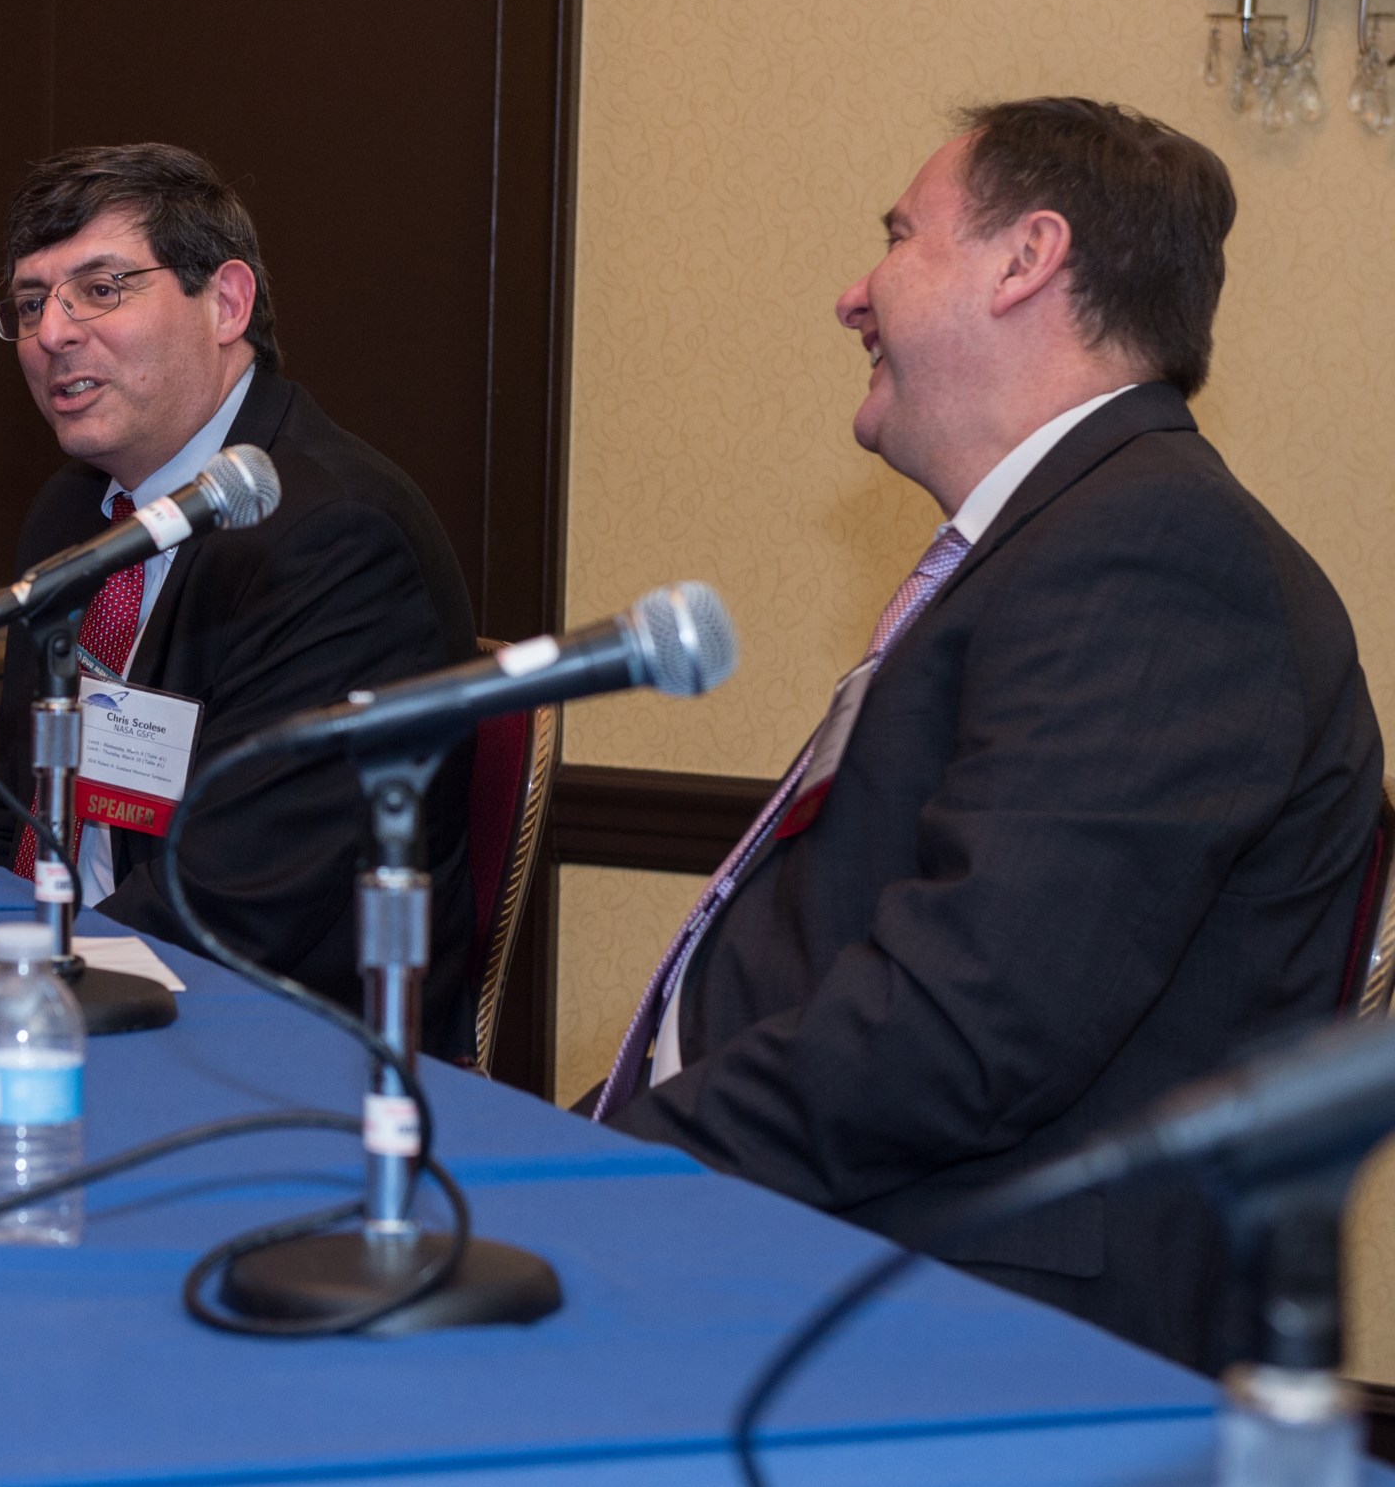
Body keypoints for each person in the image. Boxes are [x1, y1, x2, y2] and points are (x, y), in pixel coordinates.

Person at [593, 98, 1383, 1371]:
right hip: (851, 1232)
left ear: (1026, 260)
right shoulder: (1060, 541)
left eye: (899, 236)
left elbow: (962, 1026)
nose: (852, 295)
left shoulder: (1153, 554)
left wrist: (607, 1175)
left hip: (968, 1313)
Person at [0, 143, 479, 1059]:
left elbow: (239, 898)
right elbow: (16, 814)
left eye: (101, 289)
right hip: (81, 997)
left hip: (270, 1058)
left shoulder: (333, 535)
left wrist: (12, 986)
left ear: (226, 303)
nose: (53, 334)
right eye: (32, 304)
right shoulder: (74, 515)